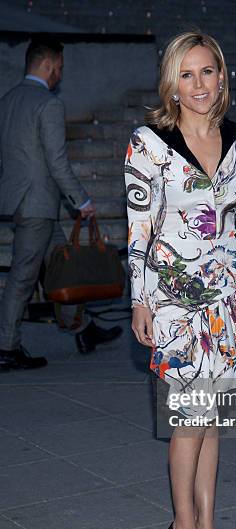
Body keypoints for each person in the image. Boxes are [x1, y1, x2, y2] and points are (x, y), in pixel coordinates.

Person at [125, 32, 236, 529]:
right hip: (172, 302)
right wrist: (138, 298)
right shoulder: (149, 143)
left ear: (222, 77)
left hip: (228, 298)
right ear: (172, 81)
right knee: (189, 422)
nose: (197, 85)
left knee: (214, 422)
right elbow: (139, 229)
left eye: (206, 72)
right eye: (185, 75)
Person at [0, 38, 122, 371]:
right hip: (37, 203)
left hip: (24, 201)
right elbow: (57, 162)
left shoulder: (7, 100)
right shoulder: (48, 104)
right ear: (50, 64)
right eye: (61, 68)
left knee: (60, 266)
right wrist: (81, 200)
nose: (60, 74)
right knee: (23, 277)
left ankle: (83, 330)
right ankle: (6, 348)